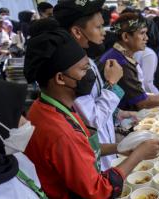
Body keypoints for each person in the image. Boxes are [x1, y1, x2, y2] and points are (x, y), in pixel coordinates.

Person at [23, 28, 159, 199]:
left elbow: (84, 148)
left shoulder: (47, 106)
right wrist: (138, 155)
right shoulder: (59, 131)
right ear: (60, 78)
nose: (90, 75)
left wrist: (120, 147)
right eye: (84, 69)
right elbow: (98, 190)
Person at [53, 0, 128, 170]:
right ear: (77, 32)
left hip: (105, 149)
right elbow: (93, 120)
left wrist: (119, 113)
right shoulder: (73, 71)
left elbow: (96, 103)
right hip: (94, 159)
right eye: (98, 27)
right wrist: (112, 83)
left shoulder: (86, 59)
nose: (103, 33)